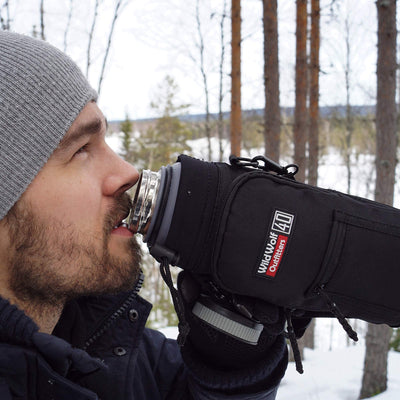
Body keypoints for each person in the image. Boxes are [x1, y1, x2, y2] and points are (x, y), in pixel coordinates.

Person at [0, 30, 288, 399]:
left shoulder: (110, 349)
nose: (128, 173)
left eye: (105, 140)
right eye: (80, 149)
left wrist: (233, 356)